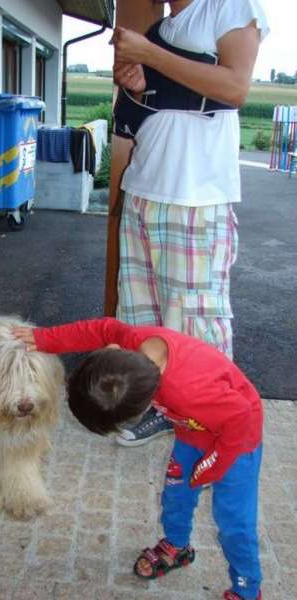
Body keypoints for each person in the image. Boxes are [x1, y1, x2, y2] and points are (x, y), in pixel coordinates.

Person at [109, 0, 269, 447]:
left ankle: (216, 420)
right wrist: (139, 88)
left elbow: (236, 88)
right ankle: (162, 408)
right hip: (145, 188)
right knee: (142, 318)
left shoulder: (229, 6)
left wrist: (149, 54)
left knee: (198, 321)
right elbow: (147, 117)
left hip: (197, 196)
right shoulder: (164, 28)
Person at [14, 317, 263, 600]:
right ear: (111, 351)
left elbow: (240, 417)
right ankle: (177, 546)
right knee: (176, 495)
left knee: (234, 522)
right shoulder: (130, 345)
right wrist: (46, 339)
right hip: (191, 431)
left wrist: (208, 469)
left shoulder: (187, 392)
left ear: (147, 405)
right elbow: (100, 328)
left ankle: (247, 589)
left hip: (237, 441)